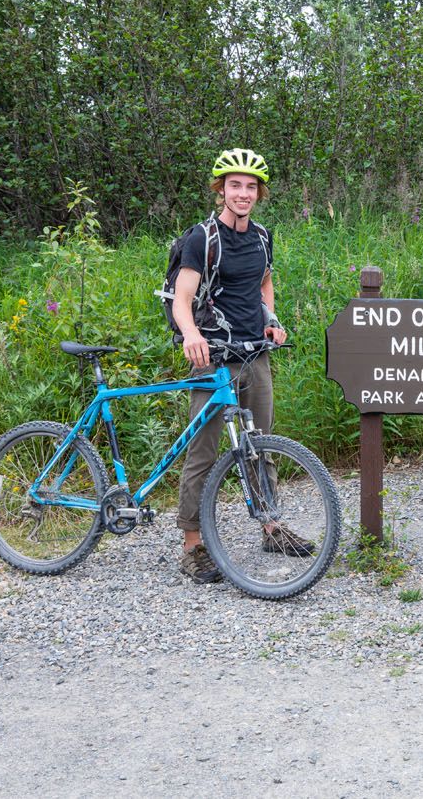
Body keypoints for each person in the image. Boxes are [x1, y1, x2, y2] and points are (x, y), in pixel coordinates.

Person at [172, 147, 308, 583]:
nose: (243, 193)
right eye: (235, 185)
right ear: (221, 190)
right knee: (205, 450)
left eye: (251, 187)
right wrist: (192, 334)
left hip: (254, 353)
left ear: (259, 193)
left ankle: (270, 526)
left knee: (261, 443)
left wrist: (272, 321)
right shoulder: (202, 238)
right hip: (213, 359)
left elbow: (264, 282)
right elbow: (182, 299)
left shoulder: (262, 236)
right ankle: (192, 545)